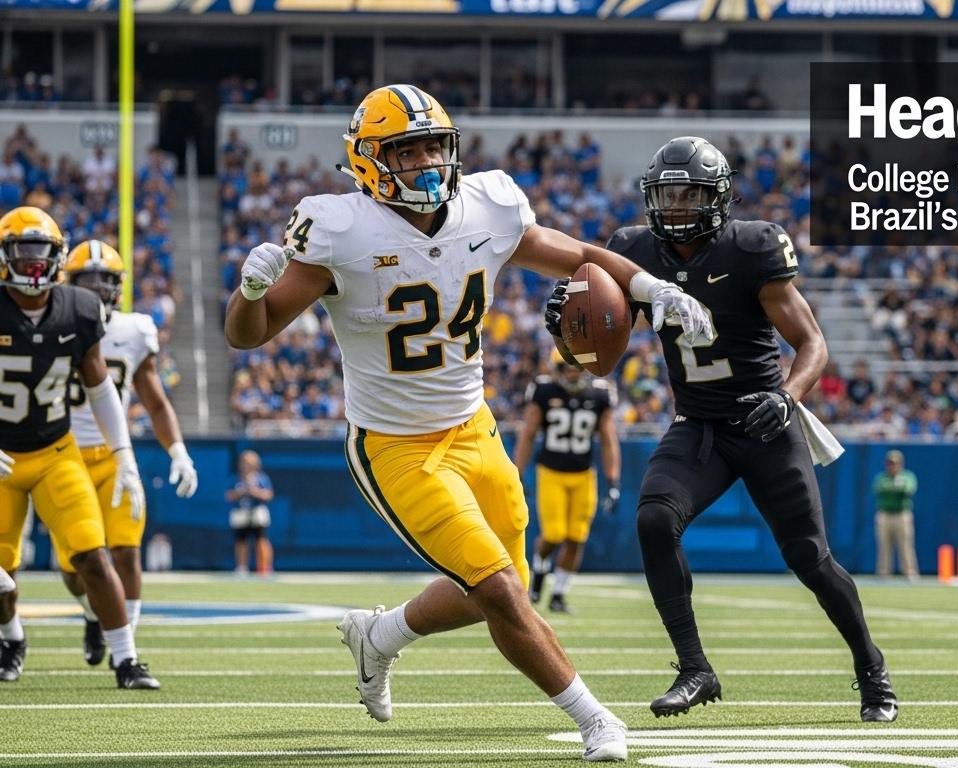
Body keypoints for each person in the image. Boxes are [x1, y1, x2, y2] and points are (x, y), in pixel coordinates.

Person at [225, 84, 712, 762]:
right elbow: (249, 336)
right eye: (405, 149)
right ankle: (595, 718)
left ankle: (381, 635)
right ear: (368, 161)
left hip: (472, 428)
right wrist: (249, 292)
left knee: (496, 582)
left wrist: (650, 287)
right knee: (503, 591)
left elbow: (578, 257)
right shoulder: (339, 228)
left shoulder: (489, 205)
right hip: (396, 448)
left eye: (433, 145)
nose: (425, 162)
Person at [547, 136, 896, 722]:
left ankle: (871, 668)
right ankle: (694, 669)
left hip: (764, 419)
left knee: (811, 559)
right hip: (698, 424)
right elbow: (598, 360)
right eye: (667, 193)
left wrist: (788, 397)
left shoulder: (752, 249)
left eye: (689, 193)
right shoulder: (634, 252)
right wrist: (569, 333)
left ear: (718, 198)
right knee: (655, 518)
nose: (677, 205)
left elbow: (812, 343)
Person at [0, 207, 157, 688]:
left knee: (92, 554)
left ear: (56, 256)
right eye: (21, 252)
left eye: (40, 252)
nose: (31, 263)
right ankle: (11, 636)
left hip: (53, 451)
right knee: (3, 570)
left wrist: (123, 454)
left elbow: (100, 387)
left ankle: (126, 659)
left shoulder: (79, 309)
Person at [50, 240, 199, 666]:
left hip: (116, 458)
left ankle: (125, 652)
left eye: (106, 279)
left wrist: (178, 452)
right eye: (87, 279)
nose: (97, 288)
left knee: (127, 550)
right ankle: (93, 614)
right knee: (74, 567)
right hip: (63, 456)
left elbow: (155, 401)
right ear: (68, 282)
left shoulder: (134, 330)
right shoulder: (52, 323)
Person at [513, 352, 621, 614]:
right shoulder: (544, 391)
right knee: (553, 534)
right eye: (566, 366)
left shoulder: (599, 396)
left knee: (576, 537)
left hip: (584, 474)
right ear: (557, 368)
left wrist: (613, 481)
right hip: (551, 472)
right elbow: (527, 434)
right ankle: (539, 574)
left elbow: (608, 439)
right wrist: (518, 473)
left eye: (577, 366)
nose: (572, 371)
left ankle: (559, 594)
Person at [873, 449, 919, 581]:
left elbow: (909, 489)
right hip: (885, 514)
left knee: (906, 545)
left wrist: (897, 487)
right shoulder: (881, 477)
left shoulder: (907, 476)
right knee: (884, 545)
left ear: (900, 464)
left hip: (902, 514)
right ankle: (884, 573)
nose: (892, 466)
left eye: (895, 463)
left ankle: (909, 572)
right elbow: (880, 489)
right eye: (890, 463)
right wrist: (896, 487)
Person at [227, 450, 273, 576]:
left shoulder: (261, 478)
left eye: (249, 463)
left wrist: (254, 491)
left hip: (257, 511)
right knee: (241, 541)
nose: (245, 465)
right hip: (240, 512)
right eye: (244, 462)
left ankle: (264, 567)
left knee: (261, 539)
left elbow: (268, 494)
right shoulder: (235, 479)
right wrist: (241, 492)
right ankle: (241, 567)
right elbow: (229, 495)